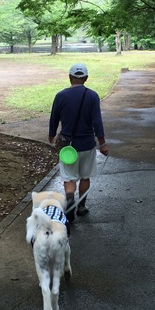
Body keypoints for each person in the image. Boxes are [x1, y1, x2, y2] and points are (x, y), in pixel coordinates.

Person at [48, 63, 109, 221]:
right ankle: (81, 207)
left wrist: (51, 135)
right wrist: (102, 143)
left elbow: (54, 118)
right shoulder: (92, 96)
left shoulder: (60, 96)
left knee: (69, 177)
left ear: (70, 77)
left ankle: (69, 198)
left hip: (68, 147)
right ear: (86, 78)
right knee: (85, 177)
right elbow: (97, 121)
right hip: (87, 144)